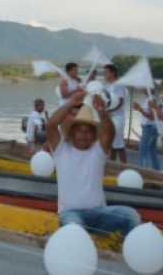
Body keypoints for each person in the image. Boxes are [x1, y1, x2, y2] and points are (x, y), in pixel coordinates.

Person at [47, 90, 141, 236]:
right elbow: (51, 125)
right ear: (72, 133)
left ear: (93, 134)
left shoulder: (98, 150)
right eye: (79, 130)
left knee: (131, 215)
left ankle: (132, 249)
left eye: (88, 131)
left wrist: (102, 111)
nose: (84, 135)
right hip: (70, 214)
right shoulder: (61, 150)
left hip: (99, 213)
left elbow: (109, 133)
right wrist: (71, 102)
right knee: (76, 229)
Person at [104, 65, 128, 164]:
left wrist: (108, 111)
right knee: (111, 143)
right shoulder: (107, 86)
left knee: (118, 144)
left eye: (106, 72)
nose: (104, 74)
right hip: (109, 117)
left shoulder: (119, 85)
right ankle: (112, 163)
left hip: (117, 117)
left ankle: (124, 164)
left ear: (112, 73)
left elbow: (120, 102)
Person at [131, 94, 161, 170]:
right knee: (152, 150)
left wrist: (139, 109)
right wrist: (139, 108)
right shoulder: (154, 98)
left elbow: (151, 117)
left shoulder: (151, 99)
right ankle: (156, 170)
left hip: (149, 127)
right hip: (153, 127)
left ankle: (144, 171)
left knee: (143, 151)